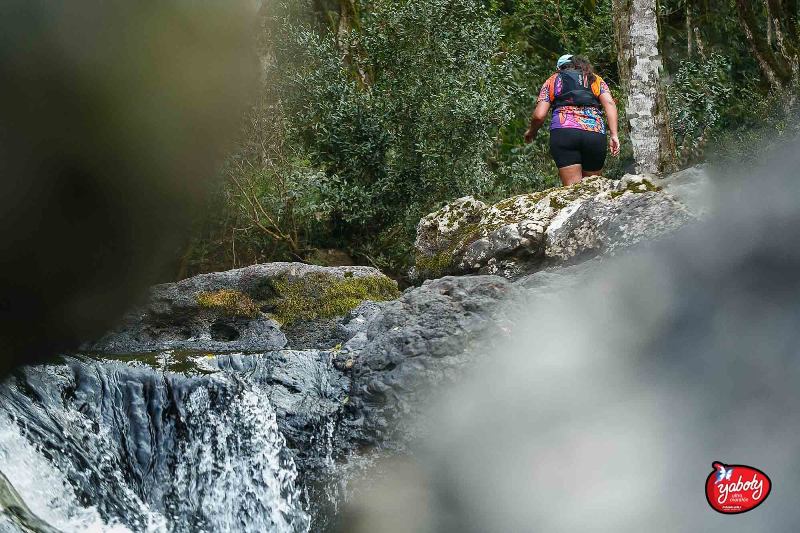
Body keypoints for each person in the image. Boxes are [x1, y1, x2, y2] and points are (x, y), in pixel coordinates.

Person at [525, 54, 620, 186]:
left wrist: (532, 131)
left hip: (564, 132)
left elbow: (539, 115)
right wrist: (614, 134)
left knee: (572, 191)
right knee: (592, 189)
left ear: (559, 68)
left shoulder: (553, 80)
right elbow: (609, 104)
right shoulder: (596, 80)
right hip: (594, 133)